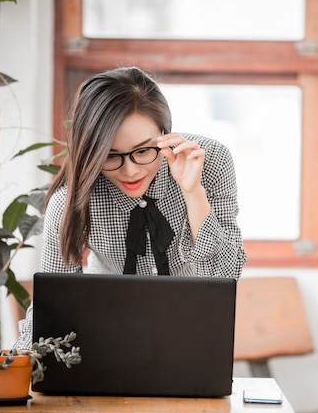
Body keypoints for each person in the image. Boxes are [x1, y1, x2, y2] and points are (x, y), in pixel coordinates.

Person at [13, 66, 246, 349]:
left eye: (143, 151)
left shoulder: (210, 162)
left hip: (191, 333)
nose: (130, 171)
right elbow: (54, 301)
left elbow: (223, 279)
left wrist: (192, 192)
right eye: (111, 156)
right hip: (103, 338)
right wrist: (17, 359)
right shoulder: (69, 201)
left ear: (165, 133)